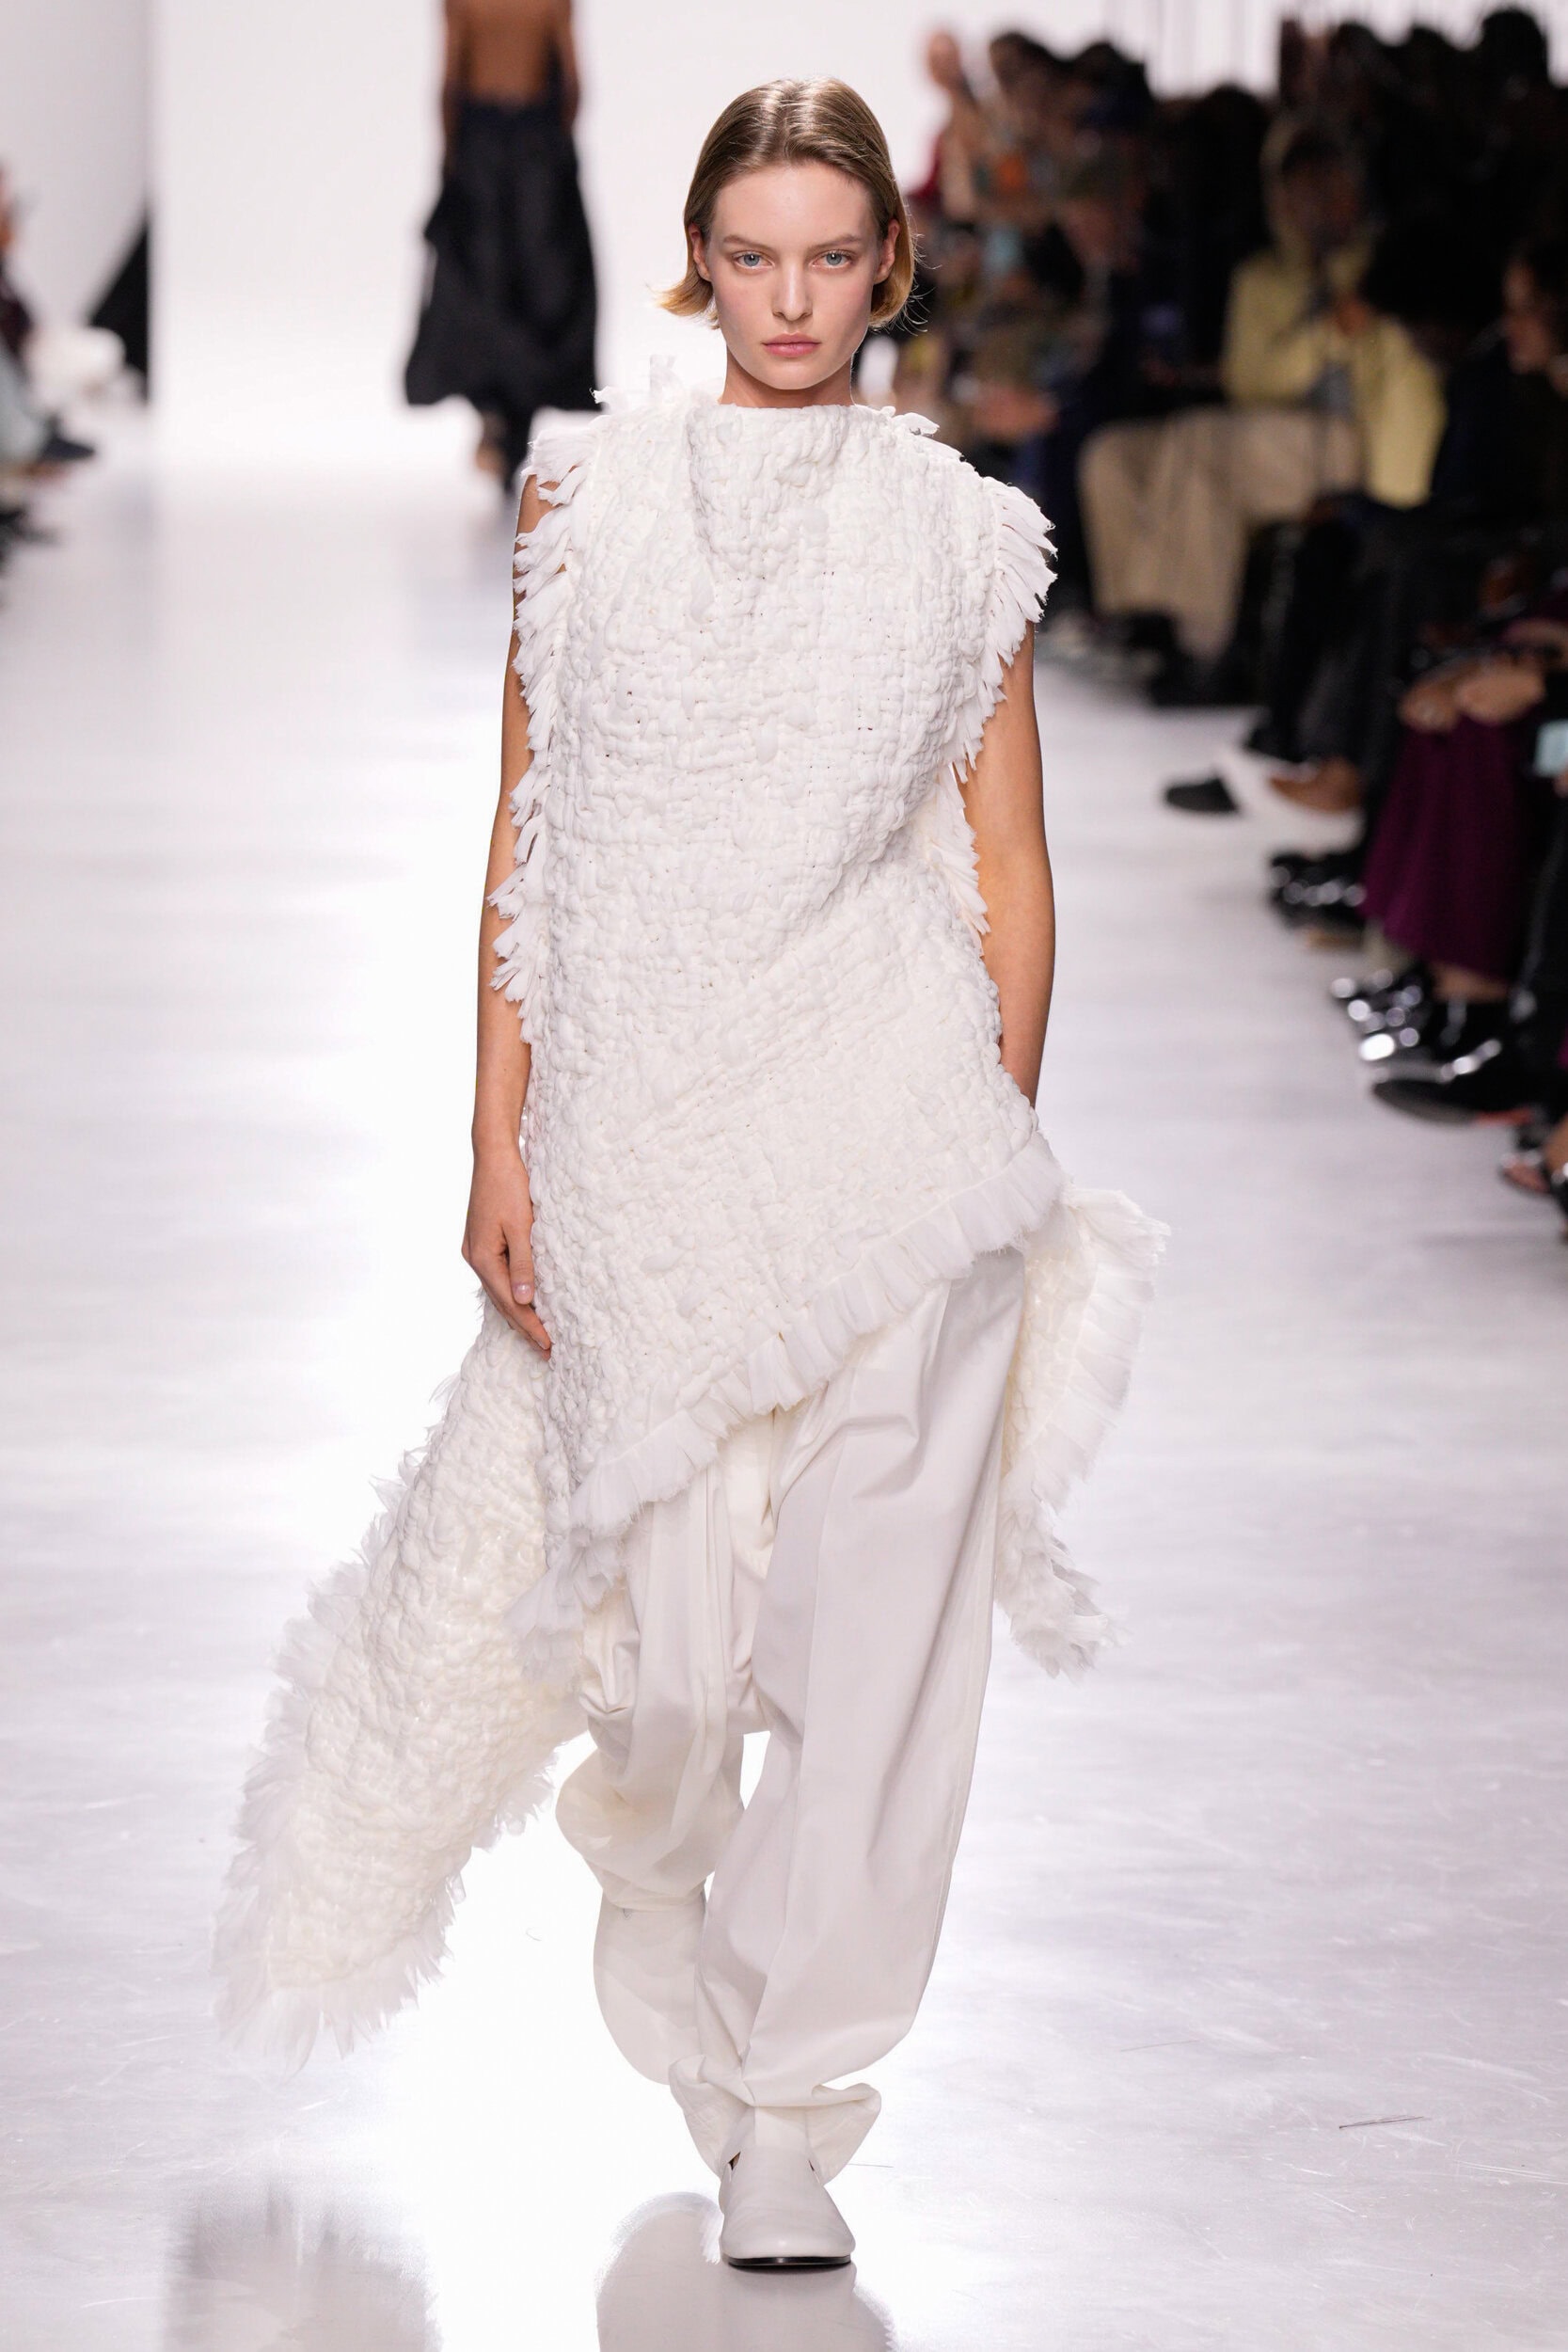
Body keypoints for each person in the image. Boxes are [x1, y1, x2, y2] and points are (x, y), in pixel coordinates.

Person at [217, 81, 1160, 2273]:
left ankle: (790, 2104)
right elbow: (528, 829)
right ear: (699, 262)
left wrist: (995, 1133)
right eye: (753, 257)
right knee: (658, 1664)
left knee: (874, 1648)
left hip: (897, 1139)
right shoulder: (587, 500)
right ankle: (660, 1881)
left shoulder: (965, 534)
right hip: (641, 1139)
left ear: (887, 263)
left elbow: (1008, 858)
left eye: (831, 257)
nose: (792, 301)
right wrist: (495, 1129)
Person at [1080, 121, 1444, 697]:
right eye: (1300, 186)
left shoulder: (1379, 263)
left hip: (1355, 439)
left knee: (1205, 447)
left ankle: (1203, 644)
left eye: (1328, 183)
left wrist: (1343, 305)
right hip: (1272, 429)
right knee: (1112, 454)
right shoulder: (1263, 278)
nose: (1315, 201)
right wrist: (1326, 333)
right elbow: (1252, 382)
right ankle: (1141, 617)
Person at [404, 0, 596, 485]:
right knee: (538, 286)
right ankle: (511, 424)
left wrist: (451, 159)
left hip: (482, 150)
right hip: (537, 151)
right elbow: (573, 83)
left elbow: (451, 82)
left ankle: (497, 420)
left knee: (482, 286)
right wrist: (557, 152)